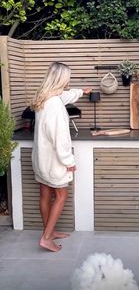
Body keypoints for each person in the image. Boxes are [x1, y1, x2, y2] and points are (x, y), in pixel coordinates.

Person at [31, 62, 91, 252]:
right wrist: (69, 162)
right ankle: (47, 238)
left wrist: (82, 91)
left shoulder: (44, 98)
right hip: (54, 161)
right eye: (68, 77)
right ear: (61, 79)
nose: (69, 80)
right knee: (61, 195)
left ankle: (49, 230)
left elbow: (65, 96)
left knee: (45, 194)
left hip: (41, 159)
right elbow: (61, 139)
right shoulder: (55, 106)